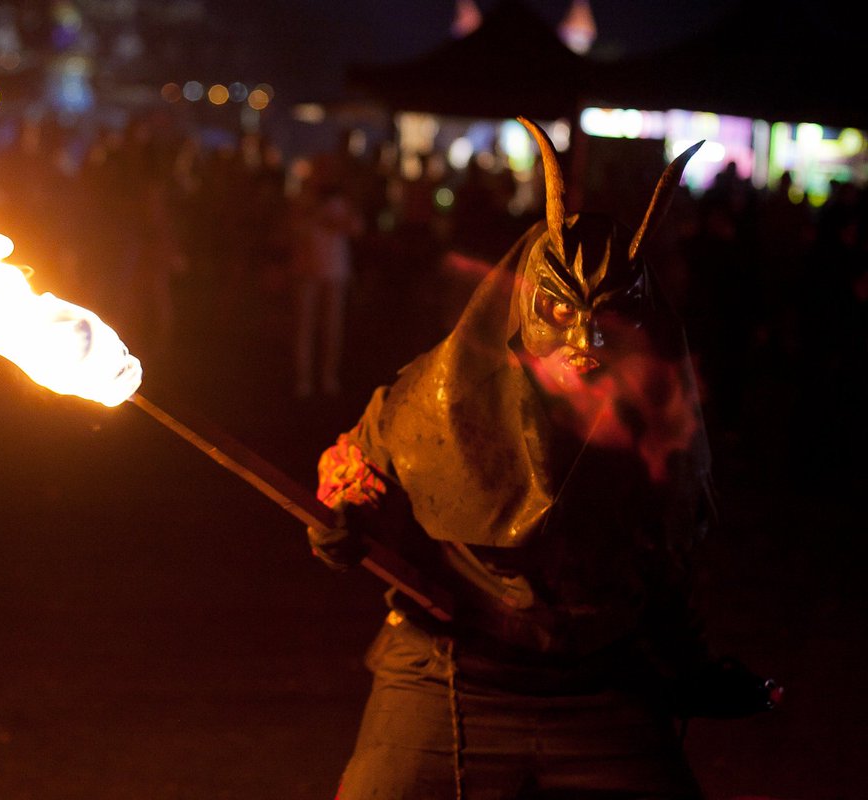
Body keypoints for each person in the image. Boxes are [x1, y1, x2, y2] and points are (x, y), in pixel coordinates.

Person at [307, 118, 777, 799]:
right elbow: (350, 518)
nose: (585, 340)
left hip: (600, 689)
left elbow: (663, 567)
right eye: (562, 311)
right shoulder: (426, 399)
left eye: (609, 317)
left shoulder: (655, 421)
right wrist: (339, 518)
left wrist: (690, 665)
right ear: (527, 304)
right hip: (447, 677)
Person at [290, 180, 365, 398]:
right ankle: (303, 379)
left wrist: (342, 218)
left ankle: (328, 377)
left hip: (335, 272)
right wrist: (314, 215)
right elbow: (294, 229)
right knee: (305, 326)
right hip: (307, 271)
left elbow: (356, 228)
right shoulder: (304, 200)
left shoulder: (343, 202)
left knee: (332, 328)